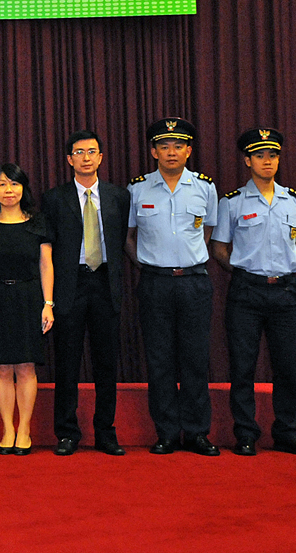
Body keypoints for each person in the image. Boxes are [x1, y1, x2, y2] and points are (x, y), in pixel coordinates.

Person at [211, 128, 296, 456]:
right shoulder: (232, 202)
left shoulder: (294, 200)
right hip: (246, 293)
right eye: (259, 156)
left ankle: (287, 432)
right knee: (243, 367)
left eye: (272, 155)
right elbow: (219, 248)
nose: (267, 161)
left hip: (285, 293)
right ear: (248, 161)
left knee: (287, 367)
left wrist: (284, 264)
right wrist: (245, 271)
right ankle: (245, 433)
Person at [125, 117, 219, 456]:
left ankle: (196, 433)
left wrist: (187, 260)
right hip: (155, 284)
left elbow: (208, 231)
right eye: (164, 146)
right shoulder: (137, 189)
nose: (171, 152)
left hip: (194, 283)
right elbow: (128, 237)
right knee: (160, 360)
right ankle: (165, 432)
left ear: (189, 150)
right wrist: (149, 264)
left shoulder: (205, 188)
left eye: (178, 146)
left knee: (195, 360)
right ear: (154, 152)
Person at [41, 130, 130, 456]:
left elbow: (122, 240)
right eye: (79, 152)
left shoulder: (119, 196)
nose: (86, 158)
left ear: (101, 157)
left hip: (106, 283)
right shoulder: (54, 199)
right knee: (67, 363)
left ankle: (106, 432)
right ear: (69, 159)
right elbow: (48, 249)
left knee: (106, 363)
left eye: (92, 151)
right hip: (70, 285)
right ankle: (67, 433)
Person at [0, 163, 54, 455]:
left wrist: (48, 304)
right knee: (2, 368)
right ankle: (8, 428)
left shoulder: (38, 223)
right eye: (3, 184)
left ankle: (25, 429)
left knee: (26, 366)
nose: (9, 190)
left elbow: (46, 265)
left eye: (14, 184)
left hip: (29, 298)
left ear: (23, 188)